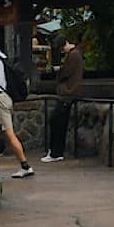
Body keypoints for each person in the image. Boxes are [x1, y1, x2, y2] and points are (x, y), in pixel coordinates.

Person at [0, 32, 34, 178]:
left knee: (8, 133)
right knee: (3, 133)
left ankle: (25, 165)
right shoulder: (2, 57)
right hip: (7, 96)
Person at [41, 34, 84, 163]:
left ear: (65, 44)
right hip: (69, 92)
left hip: (68, 92)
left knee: (56, 122)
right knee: (58, 122)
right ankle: (55, 151)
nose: (62, 51)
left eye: (61, 49)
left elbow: (66, 72)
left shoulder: (73, 55)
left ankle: (56, 152)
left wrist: (59, 71)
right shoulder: (75, 54)